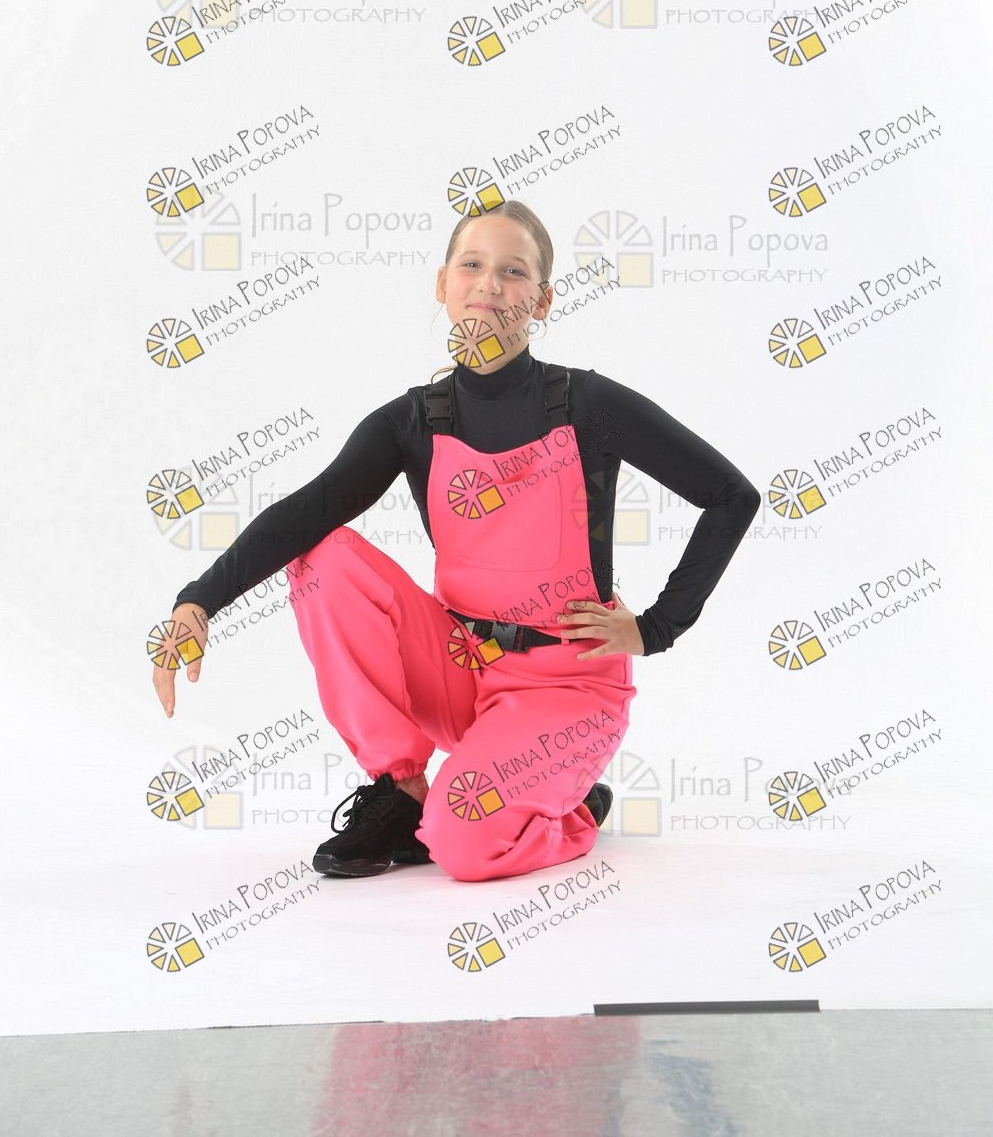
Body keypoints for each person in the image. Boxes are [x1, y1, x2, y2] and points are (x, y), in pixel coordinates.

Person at [156, 201, 761, 883]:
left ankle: (572, 809)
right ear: (442, 284)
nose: (490, 284)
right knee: (322, 557)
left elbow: (731, 496)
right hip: (462, 667)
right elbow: (307, 512)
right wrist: (198, 602)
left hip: (565, 690)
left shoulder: (589, 405)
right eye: (472, 265)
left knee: (462, 848)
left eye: (514, 271)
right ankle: (401, 789)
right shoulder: (412, 421)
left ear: (543, 300)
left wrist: (655, 629)